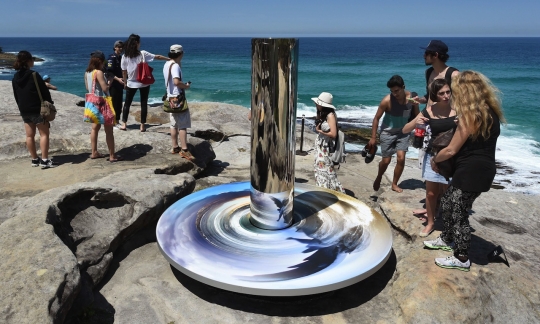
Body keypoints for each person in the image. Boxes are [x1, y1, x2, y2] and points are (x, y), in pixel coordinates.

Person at [424, 71, 505, 272]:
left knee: (459, 212)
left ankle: (461, 257)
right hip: (480, 170)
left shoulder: (471, 115)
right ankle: (447, 237)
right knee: (449, 202)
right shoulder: (489, 111)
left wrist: (435, 159)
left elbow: (451, 149)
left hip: (471, 172)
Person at [403, 79, 457, 237]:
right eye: (442, 93)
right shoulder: (429, 111)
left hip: (451, 156)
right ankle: (431, 223)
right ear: (435, 95)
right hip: (432, 156)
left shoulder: (457, 109)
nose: (446, 96)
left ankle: (449, 225)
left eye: (448, 92)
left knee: (449, 193)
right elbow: (406, 129)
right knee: (431, 193)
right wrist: (417, 121)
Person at [370, 75, 419, 193]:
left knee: (401, 158)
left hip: (403, 132)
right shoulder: (387, 100)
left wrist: (415, 106)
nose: (394, 94)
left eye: (396, 91)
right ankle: (379, 176)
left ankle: (394, 183)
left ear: (403, 87)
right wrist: (373, 137)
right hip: (387, 133)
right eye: (392, 91)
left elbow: (417, 116)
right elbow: (376, 118)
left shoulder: (412, 98)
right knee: (386, 161)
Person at [11, 50, 57, 169]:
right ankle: (45, 160)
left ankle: (35, 159)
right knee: (44, 134)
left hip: (24, 109)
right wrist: (50, 104)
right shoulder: (33, 75)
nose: (33, 61)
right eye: (32, 59)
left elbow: (16, 94)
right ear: (28, 61)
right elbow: (44, 91)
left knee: (29, 136)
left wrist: (21, 107)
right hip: (37, 109)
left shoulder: (15, 77)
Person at [120, 34, 168, 132]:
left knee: (127, 104)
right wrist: (169, 59)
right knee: (143, 103)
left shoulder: (125, 56)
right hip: (144, 82)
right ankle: (142, 125)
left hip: (131, 83)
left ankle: (124, 124)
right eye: (139, 42)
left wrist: (125, 82)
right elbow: (157, 57)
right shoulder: (142, 54)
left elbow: (124, 71)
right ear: (137, 43)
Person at [85, 50, 122, 162]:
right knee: (108, 130)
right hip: (102, 103)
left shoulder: (87, 72)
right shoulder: (99, 72)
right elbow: (105, 88)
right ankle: (112, 155)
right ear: (100, 61)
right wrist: (110, 81)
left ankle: (94, 152)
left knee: (94, 128)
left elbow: (88, 87)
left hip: (92, 102)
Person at [162, 44, 194, 161]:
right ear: (181, 53)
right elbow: (176, 82)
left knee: (173, 123)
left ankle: (175, 146)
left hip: (170, 98)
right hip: (178, 98)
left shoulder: (167, 64)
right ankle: (184, 150)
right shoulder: (175, 66)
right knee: (183, 125)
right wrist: (185, 86)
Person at [312, 92, 345, 193]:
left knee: (327, 171)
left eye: (317, 104)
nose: (316, 105)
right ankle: (323, 190)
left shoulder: (330, 115)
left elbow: (333, 134)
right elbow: (318, 121)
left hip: (326, 147)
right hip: (321, 146)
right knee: (320, 170)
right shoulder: (324, 114)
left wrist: (320, 131)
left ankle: (332, 191)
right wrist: (318, 112)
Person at [414, 40, 459, 106]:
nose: (424, 56)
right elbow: (430, 97)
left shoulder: (454, 75)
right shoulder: (428, 72)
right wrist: (420, 100)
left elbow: (461, 101)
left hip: (445, 115)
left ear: (435, 55)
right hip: (428, 114)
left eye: (426, 53)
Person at [107, 40, 125, 128]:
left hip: (120, 84)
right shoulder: (112, 58)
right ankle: (112, 122)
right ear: (115, 47)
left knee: (119, 104)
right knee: (113, 103)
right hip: (113, 84)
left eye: (121, 47)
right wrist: (118, 79)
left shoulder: (121, 58)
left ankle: (117, 121)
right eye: (119, 47)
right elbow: (109, 72)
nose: (120, 49)